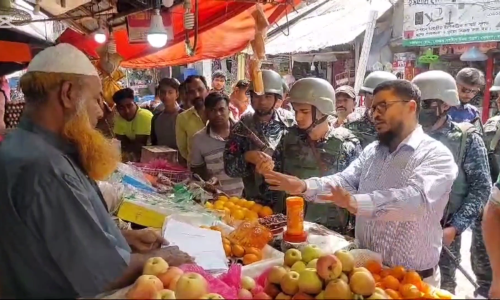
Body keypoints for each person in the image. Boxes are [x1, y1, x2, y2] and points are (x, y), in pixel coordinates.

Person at [0, 44, 192, 298]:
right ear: (68, 94)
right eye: (96, 99)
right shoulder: (45, 168)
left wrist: (122, 238)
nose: (101, 111)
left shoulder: (23, 146)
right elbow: (104, 273)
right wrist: (164, 255)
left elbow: (51, 239)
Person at [263, 79, 458, 286]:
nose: (375, 114)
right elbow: (344, 181)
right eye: (373, 107)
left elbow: (415, 201)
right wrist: (303, 186)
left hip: (411, 282)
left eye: (383, 106)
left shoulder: (436, 155)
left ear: (411, 107)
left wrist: (356, 203)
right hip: (364, 277)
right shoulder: (373, 151)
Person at [412, 71, 491, 294]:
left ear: (446, 105)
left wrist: (455, 228)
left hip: (444, 232)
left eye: (427, 104)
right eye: (416, 104)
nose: (419, 110)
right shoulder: (405, 137)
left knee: (442, 290)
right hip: (405, 230)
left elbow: (481, 188)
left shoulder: (466, 139)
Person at [272, 78, 361, 234]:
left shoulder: (347, 145)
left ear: (323, 110)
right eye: (296, 111)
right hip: (292, 228)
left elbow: (357, 193)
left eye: (304, 111)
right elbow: (275, 184)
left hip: (332, 235)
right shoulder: (288, 139)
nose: (298, 117)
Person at [224, 69, 294, 208]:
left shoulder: (290, 123)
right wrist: (247, 157)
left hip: (289, 201)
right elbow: (229, 169)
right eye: (257, 96)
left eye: (267, 96)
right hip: (256, 205)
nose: (262, 101)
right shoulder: (242, 127)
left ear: (276, 98)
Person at [471, 72, 500, 299]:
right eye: (498, 96)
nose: (498, 101)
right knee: (486, 282)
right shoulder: (491, 127)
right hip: (491, 213)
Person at [190, 92, 244, 196]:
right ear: (206, 112)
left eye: (221, 109)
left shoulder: (244, 133)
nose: (218, 114)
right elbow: (197, 173)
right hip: (218, 202)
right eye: (212, 110)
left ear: (229, 110)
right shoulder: (198, 139)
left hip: (247, 202)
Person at [346, 71, 397, 148]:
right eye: (371, 94)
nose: (375, 100)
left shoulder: (399, 125)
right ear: (365, 96)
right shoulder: (353, 122)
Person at [112, 88, 153, 162]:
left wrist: (127, 147)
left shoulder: (144, 115)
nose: (127, 111)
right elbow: (122, 143)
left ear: (135, 103)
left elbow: (139, 146)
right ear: (117, 109)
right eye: (122, 108)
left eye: (129, 106)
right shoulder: (118, 119)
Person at [175, 75, 208, 163]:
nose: (197, 95)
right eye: (191, 92)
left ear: (207, 90)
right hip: (196, 171)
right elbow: (183, 150)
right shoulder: (182, 118)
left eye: (200, 90)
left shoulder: (220, 113)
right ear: (187, 95)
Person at [151, 78, 183, 150]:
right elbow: (154, 143)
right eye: (162, 92)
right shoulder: (156, 118)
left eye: (170, 92)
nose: (166, 96)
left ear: (177, 94)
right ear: (158, 94)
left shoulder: (184, 115)